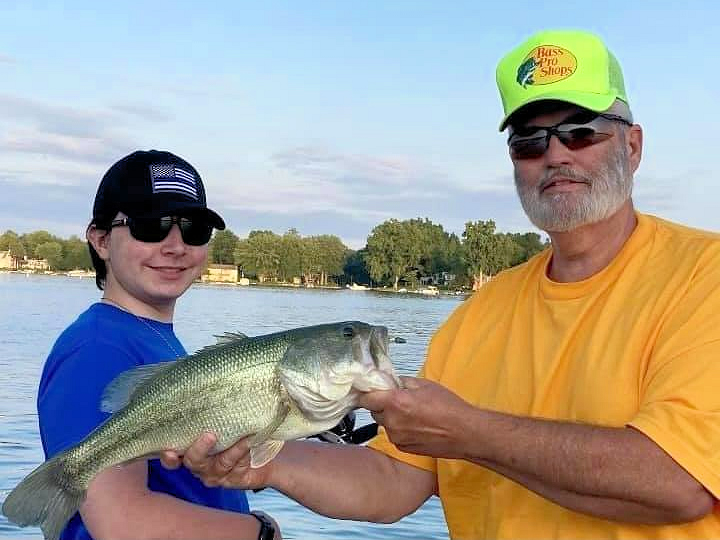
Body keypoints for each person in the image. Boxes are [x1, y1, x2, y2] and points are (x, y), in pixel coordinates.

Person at [161, 29, 720, 539]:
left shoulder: (703, 275)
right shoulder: (482, 313)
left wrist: (471, 432)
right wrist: (266, 463)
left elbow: (681, 480)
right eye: (530, 141)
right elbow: (391, 480)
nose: (555, 155)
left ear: (633, 146)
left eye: (580, 133)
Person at [38, 150, 280, 540]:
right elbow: (120, 522)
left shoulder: (150, 340)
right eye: (150, 226)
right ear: (101, 240)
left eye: (194, 229)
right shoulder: (97, 349)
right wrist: (261, 532)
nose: (175, 245)